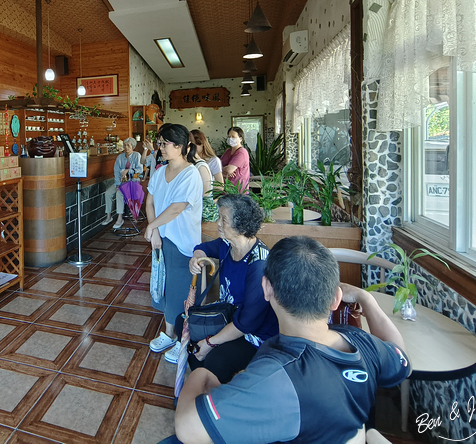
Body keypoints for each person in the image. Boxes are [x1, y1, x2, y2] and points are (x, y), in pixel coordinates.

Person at [169, 236, 411, 444]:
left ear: (266, 289)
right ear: (336, 298)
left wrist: (201, 376)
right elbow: (399, 354)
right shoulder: (361, 343)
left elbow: (187, 427)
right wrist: (365, 298)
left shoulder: (274, 379)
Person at [167, 194, 278, 389]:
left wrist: (210, 343)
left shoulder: (258, 264)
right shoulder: (227, 245)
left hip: (254, 335)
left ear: (241, 227)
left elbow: (247, 324)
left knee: (215, 360)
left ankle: (211, 393)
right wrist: (196, 258)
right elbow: (202, 248)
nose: (218, 223)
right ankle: (203, 384)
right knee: (182, 322)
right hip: (228, 317)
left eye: (223, 219)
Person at [145, 124, 204, 359]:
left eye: (165, 143)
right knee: (164, 286)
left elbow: (177, 207)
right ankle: (169, 333)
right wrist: (156, 231)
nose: (161, 148)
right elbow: (149, 202)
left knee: (181, 290)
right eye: (160, 143)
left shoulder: (191, 174)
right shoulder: (159, 172)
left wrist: (152, 226)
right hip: (161, 240)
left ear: (180, 147)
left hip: (183, 242)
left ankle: (183, 338)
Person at [102, 137, 144, 229]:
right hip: (121, 182)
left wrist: (128, 170)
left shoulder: (137, 155)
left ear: (133, 146)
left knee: (119, 193)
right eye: (125, 145)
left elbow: (140, 170)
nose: (126, 147)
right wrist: (117, 184)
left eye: (128, 145)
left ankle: (120, 218)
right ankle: (108, 216)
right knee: (108, 193)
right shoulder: (120, 157)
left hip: (132, 182)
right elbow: (116, 172)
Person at [190, 130, 223, 222]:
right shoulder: (190, 160)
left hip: (205, 202)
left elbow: (221, 186)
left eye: (195, 145)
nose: (193, 148)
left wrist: (207, 187)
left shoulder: (213, 161)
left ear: (202, 144)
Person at [219, 126, 250, 191]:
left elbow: (229, 170)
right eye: (229, 137)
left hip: (238, 191)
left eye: (233, 137)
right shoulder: (228, 151)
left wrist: (223, 171)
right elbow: (218, 166)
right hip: (226, 189)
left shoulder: (242, 152)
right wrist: (223, 170)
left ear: (241, 139)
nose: (230, 139)